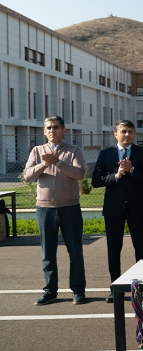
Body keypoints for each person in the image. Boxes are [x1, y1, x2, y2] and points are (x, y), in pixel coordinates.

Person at [24, 116, 86, 305]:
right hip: (45, 209)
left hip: (70, 208)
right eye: (48, 128)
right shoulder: (37, 150)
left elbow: (80, 173)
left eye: (56, 127)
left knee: (75, 251)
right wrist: (44, 163)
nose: (52, 131)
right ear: (44, 131)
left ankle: (78, 291)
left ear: (64, 130)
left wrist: (58, 162)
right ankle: (50, 291)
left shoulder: (74, 150)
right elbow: (27, 175)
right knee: (48, 252)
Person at [92, 120, 143, 302]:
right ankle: (115, 288)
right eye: (123, 131)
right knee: (114, 249)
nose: (127, 134)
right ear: (116, 134)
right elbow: (96, 180)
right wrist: (117, 175)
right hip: (114, 209)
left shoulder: (142, 153)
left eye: (130, 131)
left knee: (141, 249)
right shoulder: (106, 154)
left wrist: (133, 169)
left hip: (137, 208)